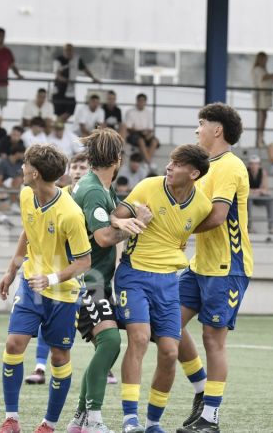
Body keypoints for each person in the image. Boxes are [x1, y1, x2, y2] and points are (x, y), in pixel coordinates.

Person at [113, 144, 212, 433]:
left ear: (193, 173)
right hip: (134, 275)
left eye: (177, 164)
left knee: (169, 351)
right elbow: (114, 216)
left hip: (169, 280)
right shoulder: (148, 186)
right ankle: (130, 419)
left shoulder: (202, 205)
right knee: (140, 338)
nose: (169, 167)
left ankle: (153, 423)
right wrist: (128, 221)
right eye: (170, 161)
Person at [62, 130, 155, 433]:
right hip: (85, 280)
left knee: (109, 345)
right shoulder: (92, 190)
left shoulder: (102, 188)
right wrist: (137, 224)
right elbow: (103, 237)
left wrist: (119, 219)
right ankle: (94, 420)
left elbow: (110, 217)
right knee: (111, 341)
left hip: (97, 280)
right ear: (118, 159)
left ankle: (79, 418)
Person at [0, 143, 92, 433]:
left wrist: (52, 279)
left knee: (60, 357)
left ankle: (48, 425)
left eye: (24, 165)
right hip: (29, 287)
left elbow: (85, 262)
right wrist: (12, 268)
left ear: (35, 173)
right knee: (14, 344)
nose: (21, 169)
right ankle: (11, 419)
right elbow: (28, 229)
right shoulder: (27, 195)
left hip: (63, 295)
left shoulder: (71, 214)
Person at [176, 103, 254, 433]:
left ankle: (211, 417)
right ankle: (200, 389)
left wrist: (176, 231)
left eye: (201, 123)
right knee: (165, 324)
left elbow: (218, 216)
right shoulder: (207, 167)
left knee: (213, 339)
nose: (197, 130)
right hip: (200, 266)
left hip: (228, 267)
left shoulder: (230, 167)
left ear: (217, 129)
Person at [52, 44, 100, 122]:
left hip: (70, 90)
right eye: (66, 50)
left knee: (70, 110)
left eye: (70, 50)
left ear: (73, 51)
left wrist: (93, 78)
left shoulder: (77, 59)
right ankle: (58, 127)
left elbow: (85, 69)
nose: (68, 52)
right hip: (59, 90)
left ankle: (56, 125)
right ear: (64, 51)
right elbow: (57, 74)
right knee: (59, 112)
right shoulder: (58, 60)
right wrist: (64, 80)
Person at [252, 52, 273, 148]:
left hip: (265, 95)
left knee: (263, 116)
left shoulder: (263, 69)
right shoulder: (257, 69)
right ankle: (259, 139)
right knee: (261, 117)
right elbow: (264, 78)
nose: (265, 61)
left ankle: (261, 138)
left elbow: (268, 78)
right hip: (261, 96)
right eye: (264, 59)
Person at [125, 94, 159, 166]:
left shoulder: (149, 113)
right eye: (139, 101)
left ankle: (147, 160)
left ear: (145, 102)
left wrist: (147, 134)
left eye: (143, 101)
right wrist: (140, 132)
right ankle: (149, 162)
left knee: (155, 141)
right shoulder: (130, 112)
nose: (141, 103)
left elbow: (150, 128)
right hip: (133, 134)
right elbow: (129, 128)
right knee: (141, 140)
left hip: (146, 133)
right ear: (136, 101)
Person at [246, 154, 273, 236]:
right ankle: (249, 227)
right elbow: (244, 189)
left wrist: (254, 191)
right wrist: (258, 191)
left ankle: (271, 227)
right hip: (249, 197)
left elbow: (265, 189)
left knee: (270, 199)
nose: (254, 166)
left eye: (256, 164)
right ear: (249, 164)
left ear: (259, 165)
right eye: (252, 164)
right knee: (248, 199)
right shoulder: (245, 172)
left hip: (258, 197)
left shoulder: (262, 172)